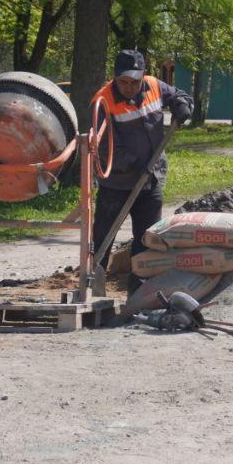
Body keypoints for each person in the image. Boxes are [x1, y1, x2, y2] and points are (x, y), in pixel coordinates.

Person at [92, 49, 193, 290]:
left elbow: (178, 94)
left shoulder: (154, 86)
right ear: (114, 77)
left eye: (133, 82)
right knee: (104, 236)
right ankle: (94, 285)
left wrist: (182, 105)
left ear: (143, 75)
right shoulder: (103, 102)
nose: (128, 87)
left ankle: (139, 292)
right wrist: (135, 163)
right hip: (116, 184)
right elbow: (103, 147)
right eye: (123, 82)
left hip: (152, 180)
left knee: (146, 239)